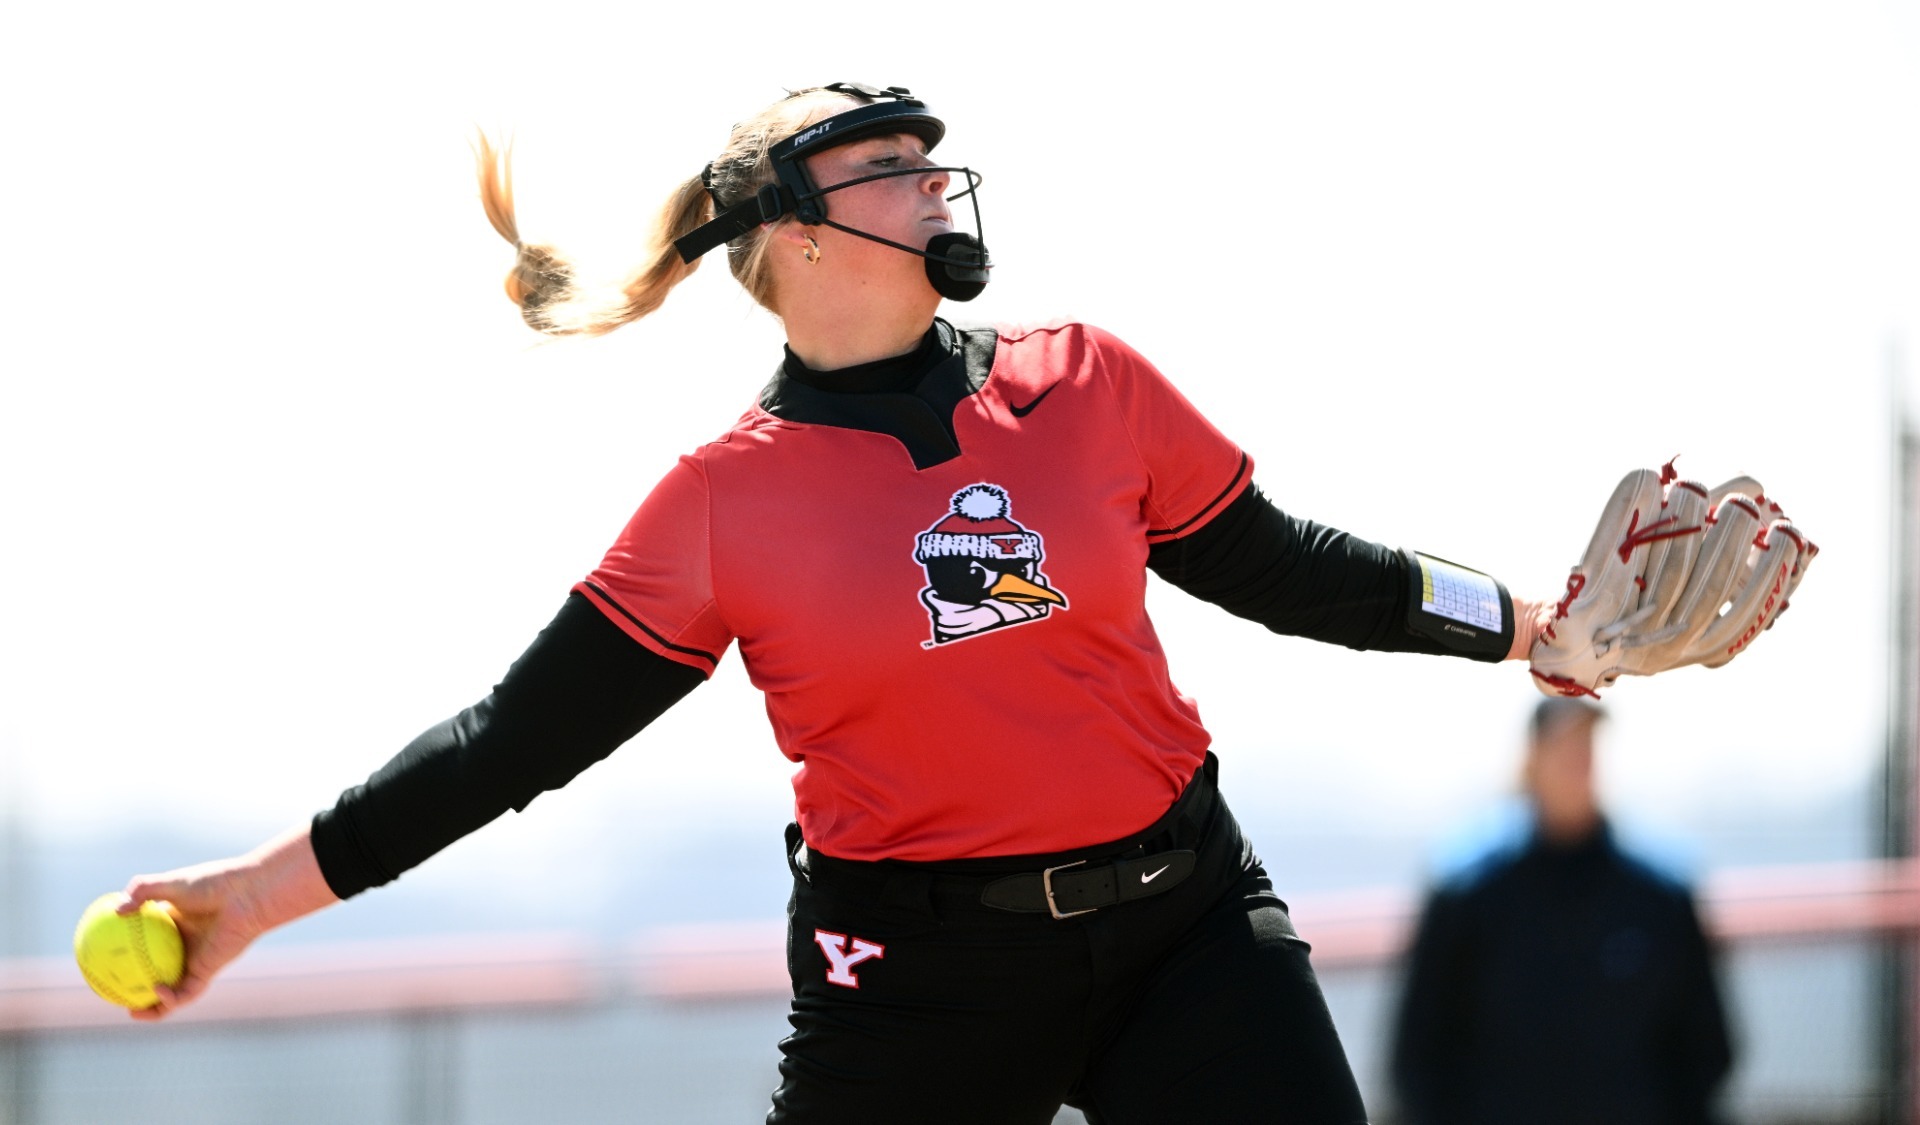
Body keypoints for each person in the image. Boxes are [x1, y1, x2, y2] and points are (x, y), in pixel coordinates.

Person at [117, 82, 1556, 1124]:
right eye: (892, 167)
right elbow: (513, 741)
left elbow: (1284, 559)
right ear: (792, 231)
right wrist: (251, 897)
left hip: (1184, 921)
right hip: (918, 982)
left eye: (936, 161)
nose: (939, 181)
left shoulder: (1087, 379)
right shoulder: (721, 504)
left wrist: (1517, 619)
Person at [1390, 697, 1735, 1125]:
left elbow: (1706, 1051)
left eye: (1587, 743)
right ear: (1532, 758)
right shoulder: (1469, 896)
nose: (1579, 760)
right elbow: (1418, 1057)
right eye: (1564, 745)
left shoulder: (1659, 896)